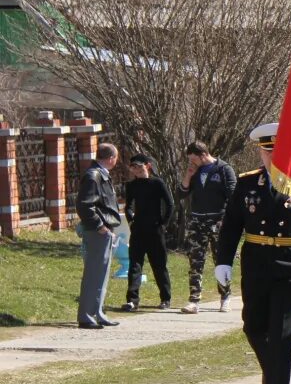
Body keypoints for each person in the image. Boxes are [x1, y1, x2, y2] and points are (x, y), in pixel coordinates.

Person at [214, 123, 291, 384]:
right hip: (256, 262)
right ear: (261, 154)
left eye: (280, 151)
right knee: (253, 326)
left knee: (282, 330)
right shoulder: (247, 182)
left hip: (290, 263)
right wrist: (223, 261)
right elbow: (231, 226)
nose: (273, 157)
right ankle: (274, 371)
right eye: (268, 152)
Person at [176, 141, 237, 314]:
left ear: (203, 155)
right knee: (195, 260)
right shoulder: (194, 172)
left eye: (193, 159)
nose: (192, 162)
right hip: (197, 221)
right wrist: (188, 176)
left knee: (220, 261)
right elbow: (181, 194)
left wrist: (225, 220)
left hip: (217, 221)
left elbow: (232, 197)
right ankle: (194, 299)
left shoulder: (224, 169)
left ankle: (225, 296)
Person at [75, 143, 122, 329]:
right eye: (116, 158)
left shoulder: (100, 174)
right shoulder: (93, 175)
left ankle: (98, 312)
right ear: (111, 158)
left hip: (105, 230)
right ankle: (86, 316)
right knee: (94, 273)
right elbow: (85, 205)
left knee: (102, 273)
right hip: (97, 231)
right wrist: (100, 226)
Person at [122, 154, 174, 312]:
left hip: (155, 230)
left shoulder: (157, 183)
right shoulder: (131, 185)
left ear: (148, 166)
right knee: (135, 265)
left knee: (159, 265)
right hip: (138, 229)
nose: (136, 169)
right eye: (133, 167)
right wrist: (130, 219)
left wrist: (163, 223)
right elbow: (128, 206)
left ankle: (165, 298)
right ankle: (132, 300)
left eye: (139, 166)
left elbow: (170, 204)